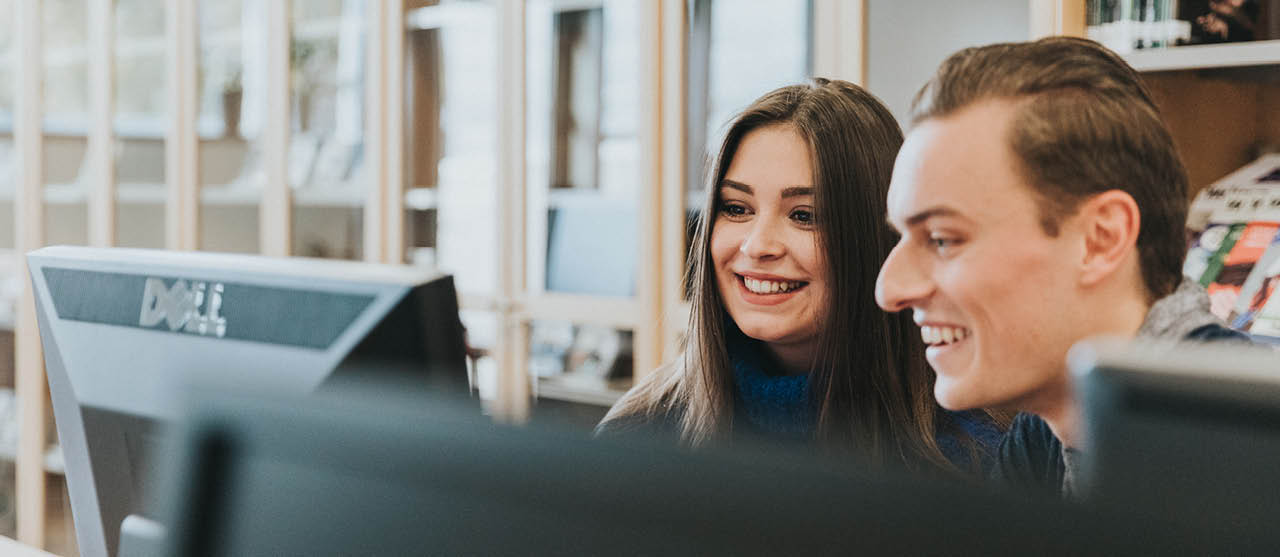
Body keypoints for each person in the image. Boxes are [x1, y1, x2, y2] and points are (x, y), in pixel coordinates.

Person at [874, 36, 1249, 498]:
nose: (890, 289)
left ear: (1100, 239)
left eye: (943, 239)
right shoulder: (1043, 436)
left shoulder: (1248, 454)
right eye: (901, 238)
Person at [597, 79, 1003, 476]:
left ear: (878, 238)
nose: (757, 246)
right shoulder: (642, 427)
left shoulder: (971, 454)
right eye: (737, 208)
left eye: (804, 216)